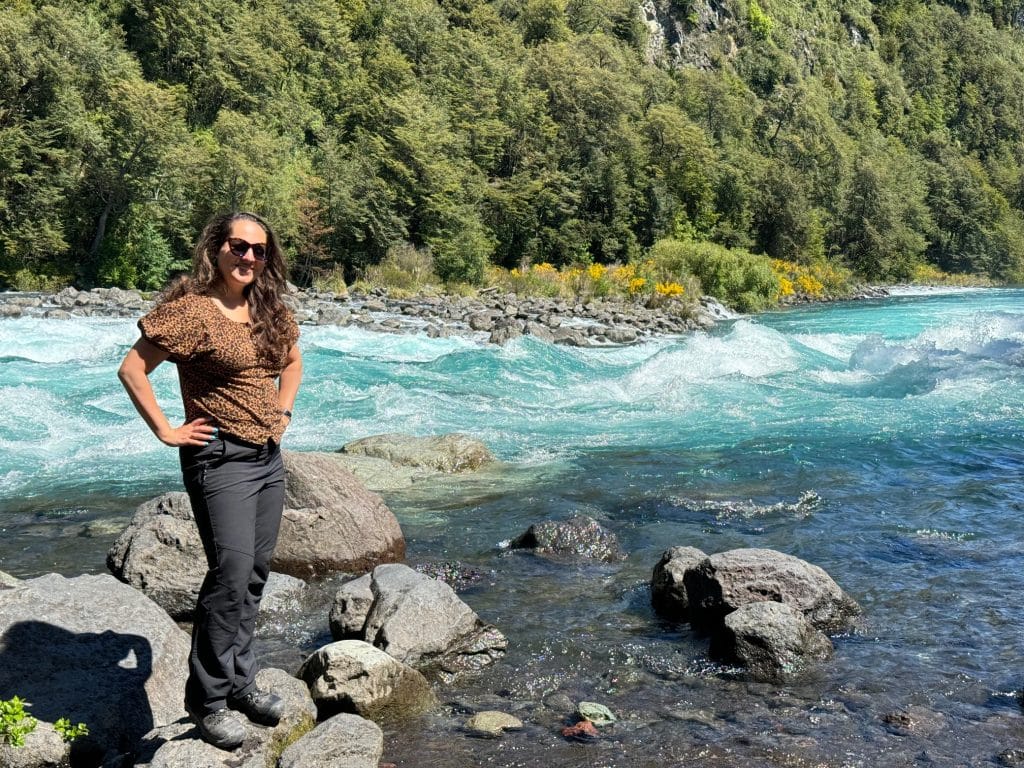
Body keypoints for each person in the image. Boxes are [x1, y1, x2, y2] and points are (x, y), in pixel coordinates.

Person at [118, 211, 302, 750]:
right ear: (215, 249)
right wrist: (166, 430)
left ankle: (240, 683)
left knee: (253, 575)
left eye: (258, 250)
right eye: (238, 246)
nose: (248, 257)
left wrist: (283, 411)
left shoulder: (268, 309)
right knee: (230, 573)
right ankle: (208, 703)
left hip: (267, 457)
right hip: (218, 458)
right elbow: (133, 368)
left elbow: (291, 363)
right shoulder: (191, 314)